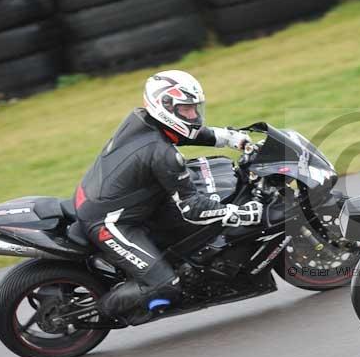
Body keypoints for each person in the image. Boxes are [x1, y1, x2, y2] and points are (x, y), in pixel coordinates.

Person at [74, 70, 263, 325]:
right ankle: (100, 313)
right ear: (165, 107)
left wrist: (230, 138)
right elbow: (193, 209)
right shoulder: (162, 154)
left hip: (116, 200)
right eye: (186, 110)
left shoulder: (142, 120)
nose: (193, 115)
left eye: (194, 108)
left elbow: (188, 133)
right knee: (166, 285)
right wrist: (237, 213)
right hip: (110, 223)